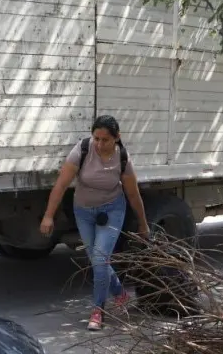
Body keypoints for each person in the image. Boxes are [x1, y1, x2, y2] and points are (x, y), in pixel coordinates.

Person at [40, 115, 150, 331]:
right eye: (96, 138)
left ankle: (98, 310)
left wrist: (143, 223)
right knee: (98, 260)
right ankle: (120, 294)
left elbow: (133, 194)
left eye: (105, 140)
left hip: (112, 209)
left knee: (100, 258)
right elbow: (61, 185)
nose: (99, 144)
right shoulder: (82, 150)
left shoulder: (123, 158)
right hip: (83, 212)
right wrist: (48, 215)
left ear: (117, 138)